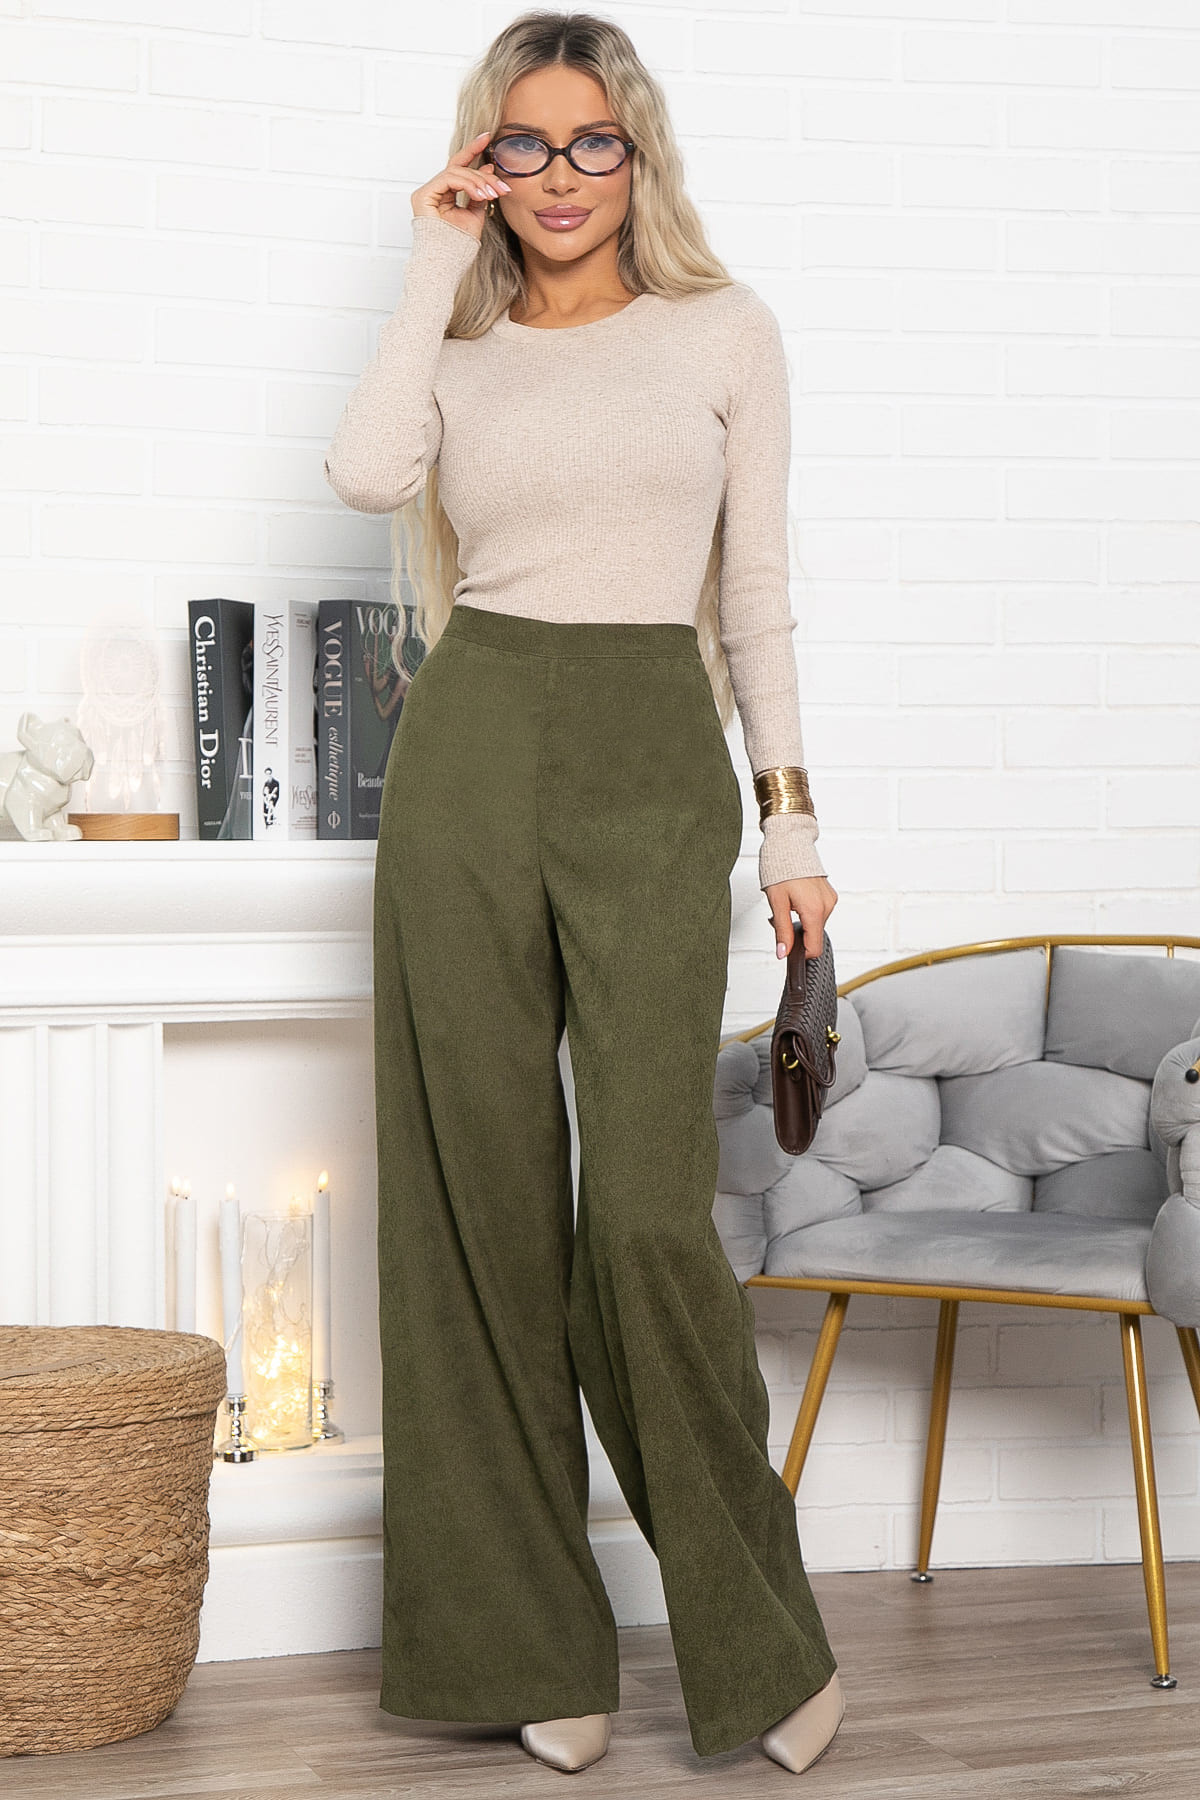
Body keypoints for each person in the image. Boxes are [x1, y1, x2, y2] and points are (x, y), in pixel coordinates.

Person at [324, 8, 843, 1778]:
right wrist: (430, 255)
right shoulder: (459, 348)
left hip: (649, 755)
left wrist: (790, 830)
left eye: (593, 141)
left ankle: (758, 1639)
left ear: (640, 154)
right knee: (472, 1201)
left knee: (640, 1214)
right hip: (471, 746)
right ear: (489, 159)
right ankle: (528, 1638)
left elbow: (755, 593)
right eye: (526, 145)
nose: (561, 177)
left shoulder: (725, 329)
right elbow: (367, 475)